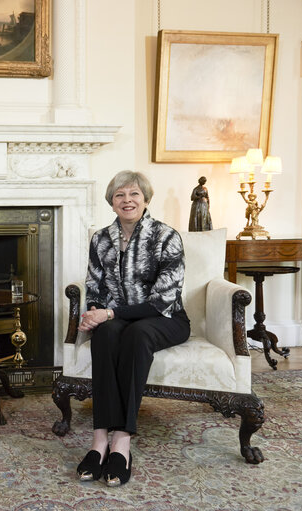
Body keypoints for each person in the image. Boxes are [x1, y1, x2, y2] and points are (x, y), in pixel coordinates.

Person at [75, 170, 190, 487]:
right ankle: (99, 440)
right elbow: (94, 287)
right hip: (118, 317)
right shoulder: (100, 239)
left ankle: (122, 441)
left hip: (166, 318)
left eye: (134, 194)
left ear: (146, 199)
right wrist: (94, 312)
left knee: (136, 335)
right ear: (112, 204)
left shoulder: (167, 237)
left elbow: (162, 301)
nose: (127, 200)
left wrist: (109, 312)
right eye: (119, 195)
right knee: (106, 334)